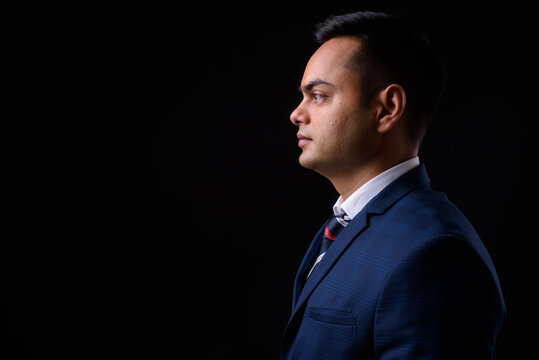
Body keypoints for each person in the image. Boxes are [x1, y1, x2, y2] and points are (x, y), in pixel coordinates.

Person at [281, 11, 506, 359]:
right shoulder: (347, 221)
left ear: (388, 108)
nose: (297, 113)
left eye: (319, 95)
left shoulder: (435, 253)